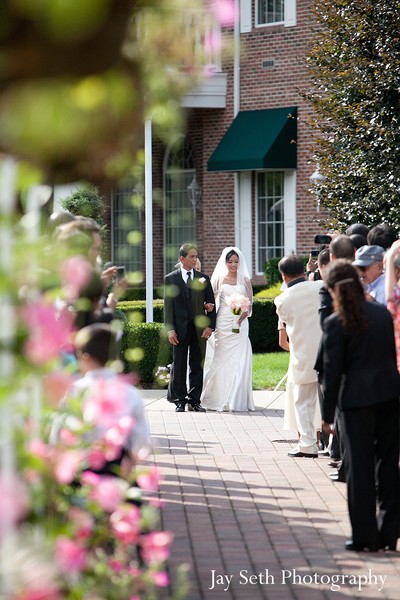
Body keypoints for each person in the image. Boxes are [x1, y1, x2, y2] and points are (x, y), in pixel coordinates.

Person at [320, 260, 400, 552]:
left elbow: (331, 373)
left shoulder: (334, 323)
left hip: (356, 402)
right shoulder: (381, 314)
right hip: (391, 396)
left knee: (360, 468)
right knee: (388, 465)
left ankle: (365, 535)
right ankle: (389, 532)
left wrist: (327, 417)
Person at [53, 323, 152, 471]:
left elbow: (57, 435)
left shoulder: (75, 390)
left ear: (85, 357)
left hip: (80, 468)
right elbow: (141, 442)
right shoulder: (130, 393)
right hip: (117, 471)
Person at [274, 255, 323, 458]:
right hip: (327, 351)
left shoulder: (282, 300)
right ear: (304, 270)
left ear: (283, 276)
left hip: (302, 355)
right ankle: (331, 444)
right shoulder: (321, 287)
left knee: (303, 402)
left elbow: (284, 326)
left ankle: (308, 444)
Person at [200, 247, 255, 412]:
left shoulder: (245, 280)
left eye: (236, 261)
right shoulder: (218, 279)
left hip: (240, 322)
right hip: (223, 321)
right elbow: (211, 301)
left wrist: (243, 313)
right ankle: (216, 398)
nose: (233, 265)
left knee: (239, 358)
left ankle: (235, 399)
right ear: (225, 262)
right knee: (220, 358)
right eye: (230, 262)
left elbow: (250, 303)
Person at [164, 243, 216, 412]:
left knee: (197, 364)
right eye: (192, 257)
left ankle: (194, 400)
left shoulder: (203, 279)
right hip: (179, 329)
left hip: (199, 330)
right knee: (179, 364)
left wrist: (210, 326)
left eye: (196, 256)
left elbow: (211, 305)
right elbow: (168, 307)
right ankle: (179, 399)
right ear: (182, 259)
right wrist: (170, 329)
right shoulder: (170, 279)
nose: (195, 259)